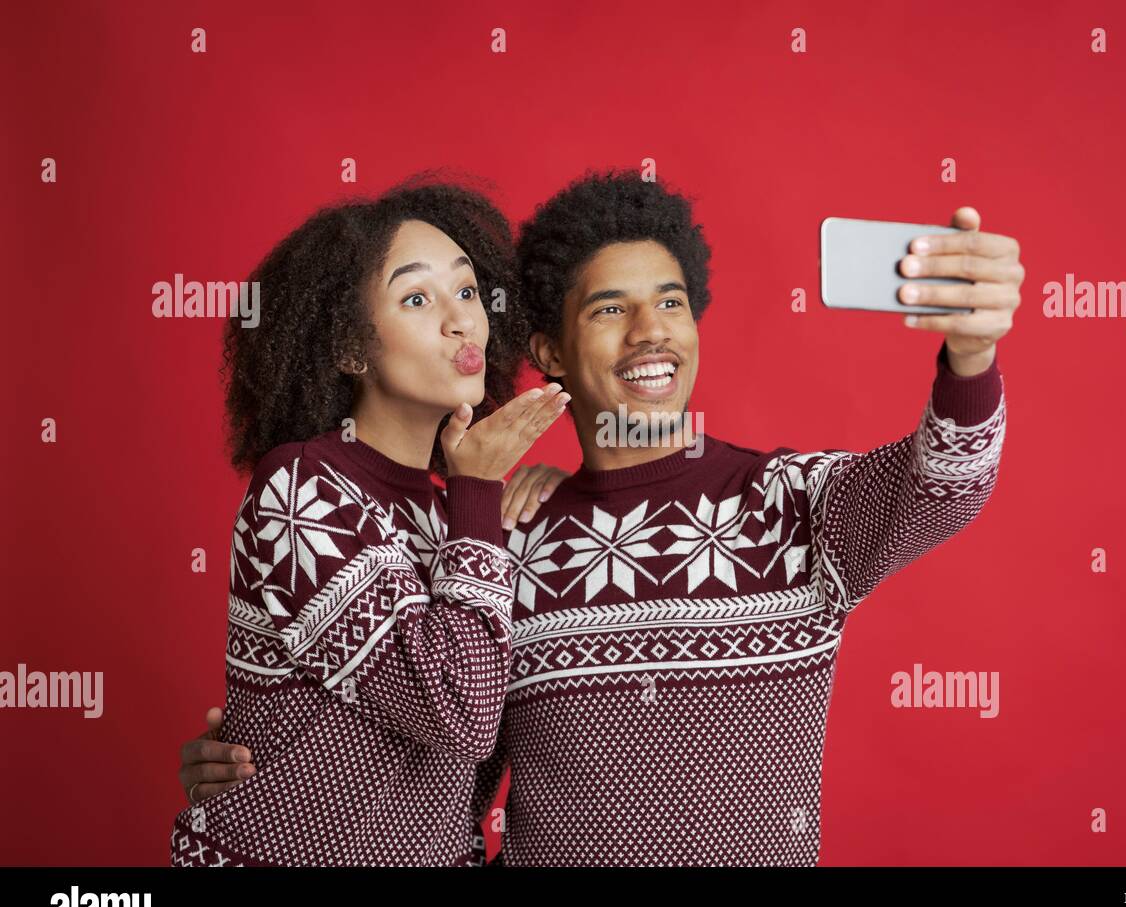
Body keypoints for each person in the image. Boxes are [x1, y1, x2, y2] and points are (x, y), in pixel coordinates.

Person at [181, 170, 1021, 866]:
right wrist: (270, 766)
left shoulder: (787, 502)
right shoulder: (500, 531)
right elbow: (453, 750)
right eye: (610, 310)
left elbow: (945, 483)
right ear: (547, 352)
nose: (651, 333)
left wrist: (970, 355)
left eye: (672, 303)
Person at [170, 175, 569, 867]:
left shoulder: (460, 518)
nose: (461, 321)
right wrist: (478, 487)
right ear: (351, 350)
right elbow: (459, 711)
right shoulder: (300, 488)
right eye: (417, 298)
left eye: (467, 291)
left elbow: (471, 767)